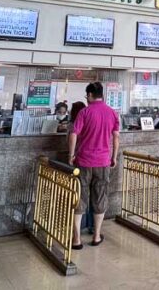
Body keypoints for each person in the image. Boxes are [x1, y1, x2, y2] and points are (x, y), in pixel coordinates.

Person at [68, 82, 120, 249]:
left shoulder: (84, 112)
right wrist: (114, 157)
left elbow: (73, 134)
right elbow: (116, 138)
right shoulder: (112, 113)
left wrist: (71, 155)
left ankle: (76, 240)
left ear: (90, 95)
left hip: (83, 162)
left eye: (87, 96)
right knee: (100, 198)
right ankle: (96, 236)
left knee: (79, 198)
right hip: (103, 162)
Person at [68, 101, 93, 235]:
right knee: (93, 195)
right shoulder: (89, 121)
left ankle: (77, 230)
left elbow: (71, 136)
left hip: (80, 161)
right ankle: (92, 227)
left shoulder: (74, 124)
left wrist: (71, 155)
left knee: (79, 194)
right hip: (97, 161)